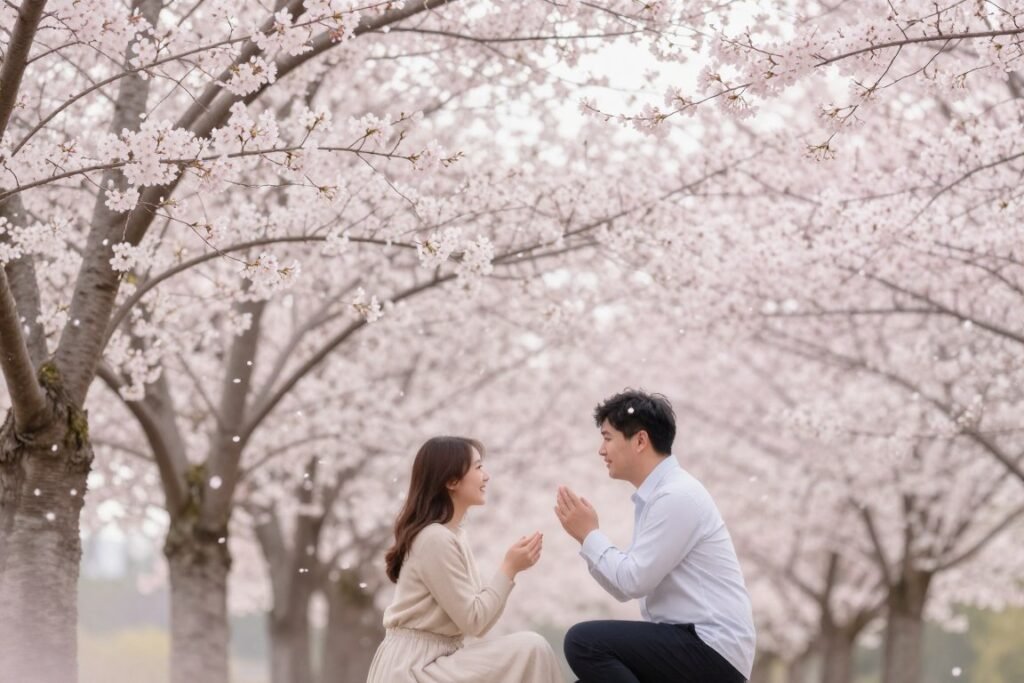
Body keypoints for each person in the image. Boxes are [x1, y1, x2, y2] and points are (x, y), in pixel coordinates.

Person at [554, 390, 756, 682]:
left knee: (583, 642)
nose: (601, 449)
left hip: (711, 648)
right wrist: (586, 538)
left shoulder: (677, 495)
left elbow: (634, 581)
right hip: (690, 644)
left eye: (607, 438)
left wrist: (589, 535)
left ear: (640, 441)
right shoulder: (659, 496)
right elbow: (623, 589)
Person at [367, 436, 564, 683]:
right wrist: (509, 568)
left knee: (532, 649)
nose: (487, 476)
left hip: (439, 659)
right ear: (451, 480)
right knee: (532, 649)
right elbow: (474, 620)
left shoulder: (452, 535)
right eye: (479, 467)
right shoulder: (434, 539)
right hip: (415, 667)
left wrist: (511, 570)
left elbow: (479, 624)